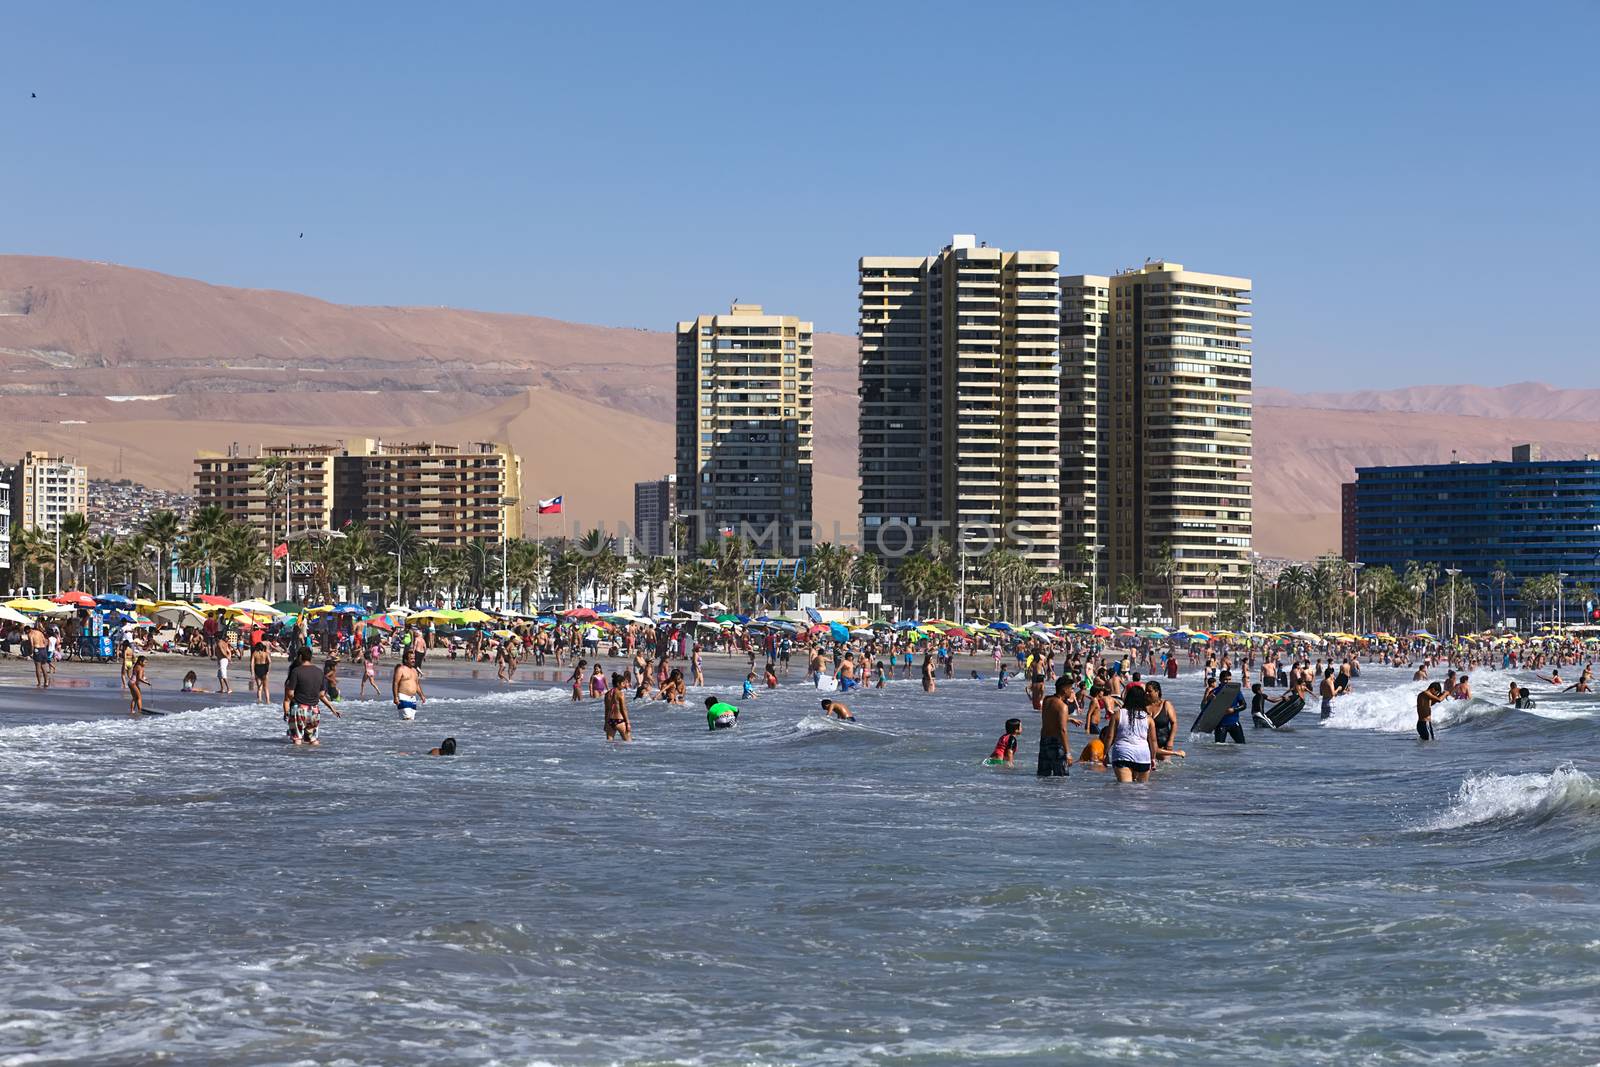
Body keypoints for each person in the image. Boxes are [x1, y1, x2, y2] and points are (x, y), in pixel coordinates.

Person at [283, 649, 339, 745]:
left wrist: (291, 707)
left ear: (300, 657)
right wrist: (332, 708)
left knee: (297, 739)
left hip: (299, 708)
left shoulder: (296, 671)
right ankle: (316, 758)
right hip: (314, 710)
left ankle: (295, 759)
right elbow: (321, 695)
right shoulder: (319, 672)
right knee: (313, 740)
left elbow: (290, 693)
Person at [1037, 677, 1076, 778]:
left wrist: (1069, 719)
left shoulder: (1047, 700)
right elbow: (1062, 730)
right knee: (1062, 778)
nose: (1072, 691)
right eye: (1071, 688)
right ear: (1064, 690)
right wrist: (1068, 753)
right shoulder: (1063, 706)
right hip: (1056, 744)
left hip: (1044, 741)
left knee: (1043, 776)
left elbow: (1051, 717)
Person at [1203, 669, 1248, 744]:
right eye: (1225, 680)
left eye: (1229, 679)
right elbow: (1206, 709)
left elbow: (1244, 705)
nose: (1227, 682)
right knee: (1219, 746)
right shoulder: (1214, 692)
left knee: (1242, 745)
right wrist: (1208, 699)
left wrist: (1233, 710)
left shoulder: (1236, 691)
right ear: (1220, 680)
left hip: (1234, 723)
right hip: (1220, 724)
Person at [1146, 680, 1182, 762]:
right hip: (1147, 745)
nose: (1147, 693)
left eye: (1149, 691)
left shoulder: (1166, 704)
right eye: (1146, 691)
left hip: (1164, 745)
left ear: (1157, 692)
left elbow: (1174, 723)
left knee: (1164, 771)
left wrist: (1171, 740)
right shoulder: (1143, 706)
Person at [392, 649, 426, 721]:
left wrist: (422, 696)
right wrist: (395, 697)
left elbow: (416, 685)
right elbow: (395, 683)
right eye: (411, 659)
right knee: (407, 720)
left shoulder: (414, 671)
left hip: (413, 699)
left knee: (409, 723)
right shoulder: (401, 669)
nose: (413, 660)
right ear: (405, 660)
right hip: (403, 697)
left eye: (414, 658)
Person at [604, 674, 632, 741]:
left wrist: (605, 723)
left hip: (610, 721)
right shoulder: (620, 694)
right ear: (618, 683)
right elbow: (623, 709)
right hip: (620, 721)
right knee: (629, 743)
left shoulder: (607, 694)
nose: (624, 685)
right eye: (623, 683)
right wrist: (628, 723)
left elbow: (607, 710)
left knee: (609, 745)